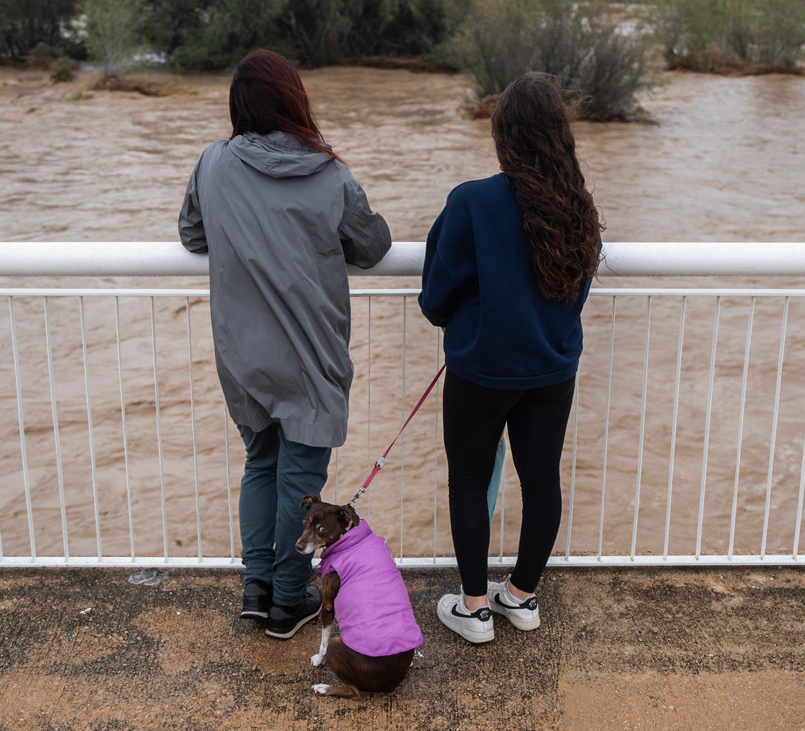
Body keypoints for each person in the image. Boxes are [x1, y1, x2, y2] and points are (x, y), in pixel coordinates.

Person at [179, 49, 392, 640]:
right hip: (310, 357)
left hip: (242, 354)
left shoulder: (213, 163)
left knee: (260, 464)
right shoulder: (330, 173)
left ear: (239, 106)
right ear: (295, 101)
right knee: (301, 480)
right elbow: (373, 246)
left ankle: (257, 589)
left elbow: (191, 233)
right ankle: (287, 599)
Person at [419, 73, 602, 644]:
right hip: (552, 367)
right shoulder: (577, 206)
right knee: (541, 481)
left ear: (504, 137)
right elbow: (576, 292)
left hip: (481, 367)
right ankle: (521, 598)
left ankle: (474, 610)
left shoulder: (471, 201)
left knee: (470, 480)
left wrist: (462, 318)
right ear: (560, 135)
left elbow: (436, 295)